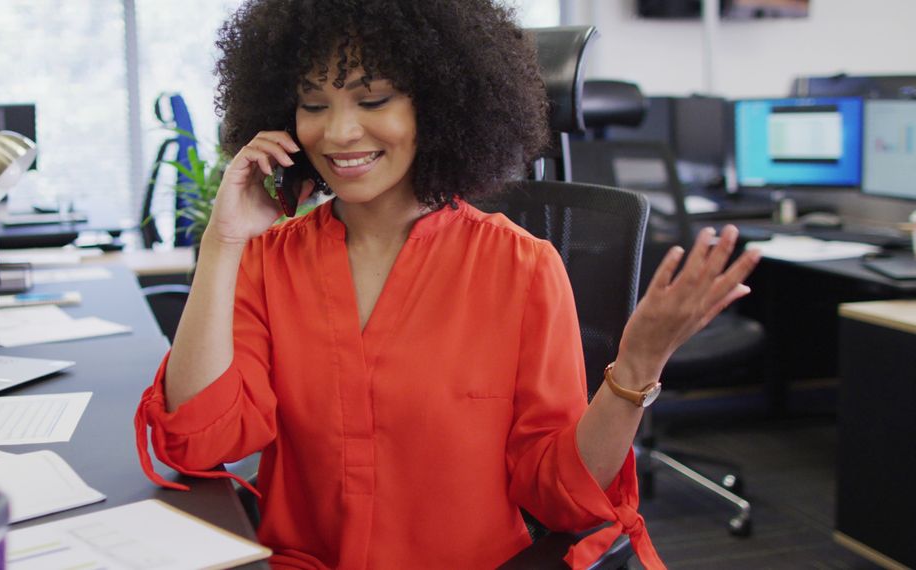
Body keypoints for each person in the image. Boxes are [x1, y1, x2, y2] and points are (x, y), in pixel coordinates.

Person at [134, 1, 760, 568]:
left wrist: (638, 364)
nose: (338, 132)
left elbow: (560, 495)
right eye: (314, 104)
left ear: (435, 106)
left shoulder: (521, 267)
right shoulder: (271, 261)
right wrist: (223, 243)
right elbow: (199, 442)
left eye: (373, 100)